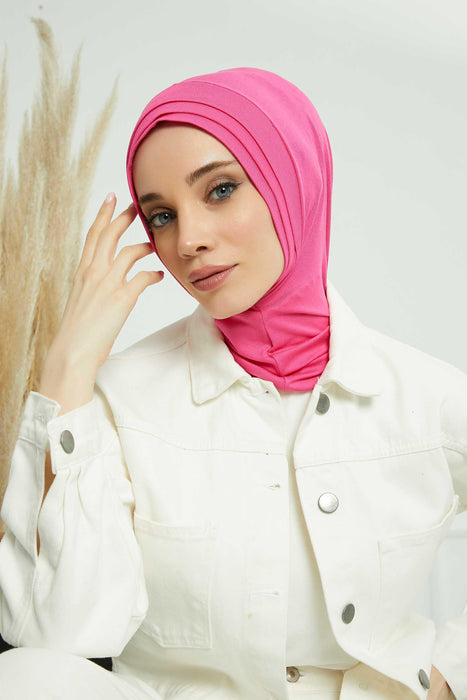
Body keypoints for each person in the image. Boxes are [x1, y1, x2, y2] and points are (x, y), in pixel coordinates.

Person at [0, 67, 465, 700]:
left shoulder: (429, 397)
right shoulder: (120, 397)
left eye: (220, 190)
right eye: (161, 215)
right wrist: (67, 368)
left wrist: (453, 674)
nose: (188, 240)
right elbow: (58, 636)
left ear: (293, 180)